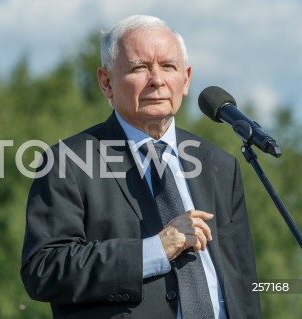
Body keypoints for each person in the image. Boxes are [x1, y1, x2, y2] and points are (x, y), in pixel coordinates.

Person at [20, 15, 261, 319]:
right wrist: (154, 251)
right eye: (140, 67)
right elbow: (43, 269)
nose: (157, 79)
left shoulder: (220, 165)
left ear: (186, 79)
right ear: (106, 82)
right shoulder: (68, 161)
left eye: (168, 67)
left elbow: (244, 280)